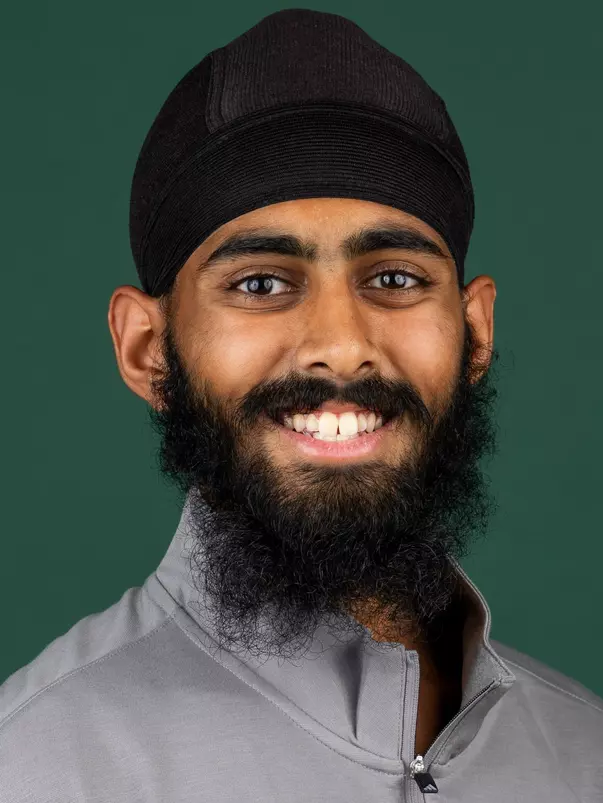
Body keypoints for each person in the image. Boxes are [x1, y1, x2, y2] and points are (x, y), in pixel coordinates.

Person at [1, 9, 601, 802]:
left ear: (474, 332)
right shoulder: (34, 765)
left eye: (394, 278)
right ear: (148, 348)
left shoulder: (582, 753)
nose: (341, 346)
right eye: (260, 283)